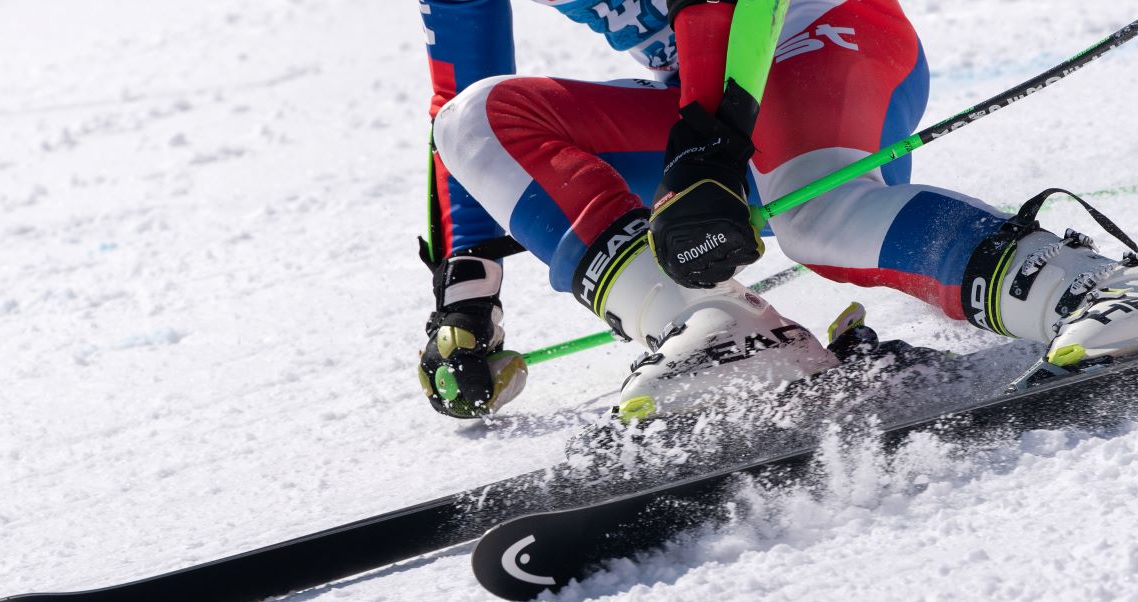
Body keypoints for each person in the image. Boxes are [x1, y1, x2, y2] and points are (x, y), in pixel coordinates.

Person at [415, 0, 1138, 422]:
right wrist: (466, 299)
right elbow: (462, 84)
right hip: (707, 101)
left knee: (820, 216)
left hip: (812, 32)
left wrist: (707, 150)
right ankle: (718, 329)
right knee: (472, 121)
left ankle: (1085, 285)